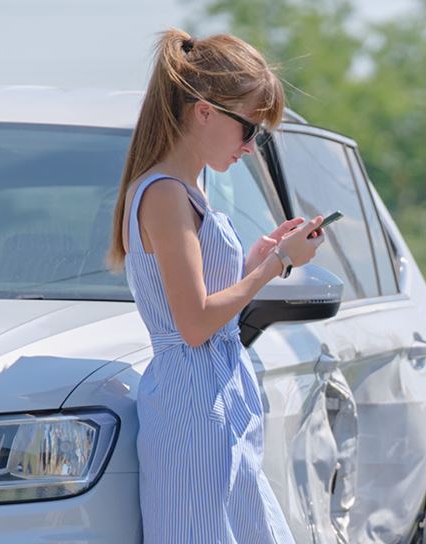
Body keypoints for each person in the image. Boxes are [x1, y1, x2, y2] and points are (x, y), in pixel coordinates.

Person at [106, 28, 326, 542]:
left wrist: (260, 257)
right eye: (249, 130)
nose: (251, 147)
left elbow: (200, 296)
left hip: (213, 396)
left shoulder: (185, 188)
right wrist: (273, 266)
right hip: (194, 405)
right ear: (204, 112)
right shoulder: (163, 193)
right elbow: (195, 322)